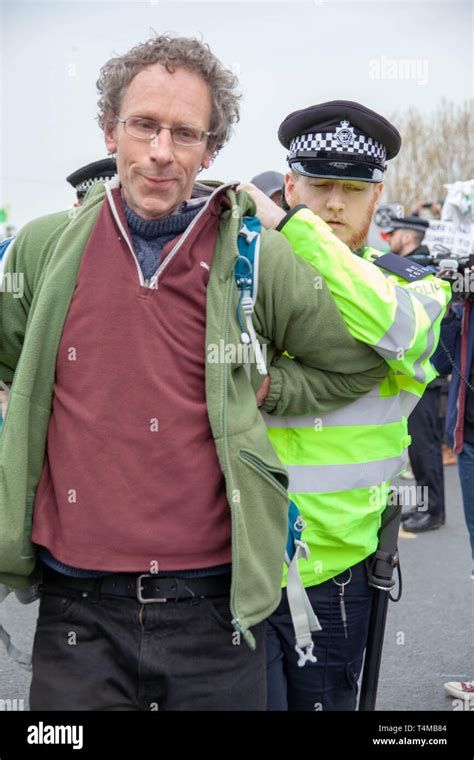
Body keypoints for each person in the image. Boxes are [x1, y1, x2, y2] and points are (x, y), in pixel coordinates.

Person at [0, 38, 388, 711]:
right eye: (144, 125)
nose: (160, 150)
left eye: (185, 133)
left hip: (217, 612)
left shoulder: (256, 258)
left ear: (210, 151)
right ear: (110, 131)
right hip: (78, 614)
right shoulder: (42, 247)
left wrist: (272, 389)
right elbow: (12, 359)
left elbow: (353, 361)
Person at [240, 99, 451, 710]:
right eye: (319, 185)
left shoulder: (413, 285)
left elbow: (397, 328)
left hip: (335, 574)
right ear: (289, 184)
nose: (333, 203)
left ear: (376, 196)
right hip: (236, 563)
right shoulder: (250, 273)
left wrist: (293, 227)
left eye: (352, 189)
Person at [386, 215, 446, 531]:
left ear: (407, 237)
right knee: (418, 447)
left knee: (425, 446)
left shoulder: (417, 267)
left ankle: (433, 511)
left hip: (425, 369)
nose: (388, 238)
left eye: (393, 233)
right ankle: (426, 507)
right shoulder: (413, 265)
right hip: (419, 369)